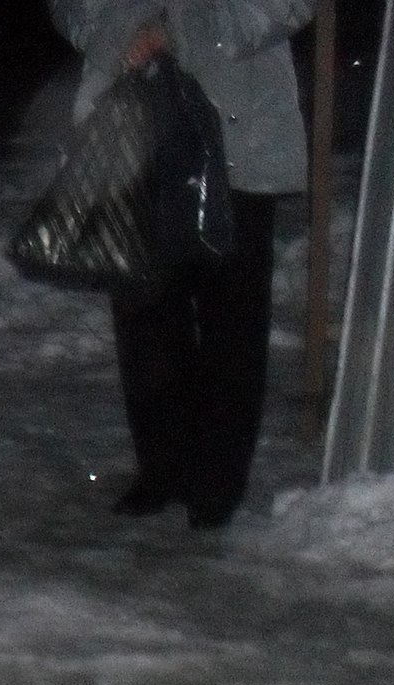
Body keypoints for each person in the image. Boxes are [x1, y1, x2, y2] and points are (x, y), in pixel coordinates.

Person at [52, 0, 316, 527]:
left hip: (238, 136)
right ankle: (163, 468)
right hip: (131, 124)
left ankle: (217, 484)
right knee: (144, 314)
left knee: (232, 317)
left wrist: (185, 31)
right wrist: (124, 32)